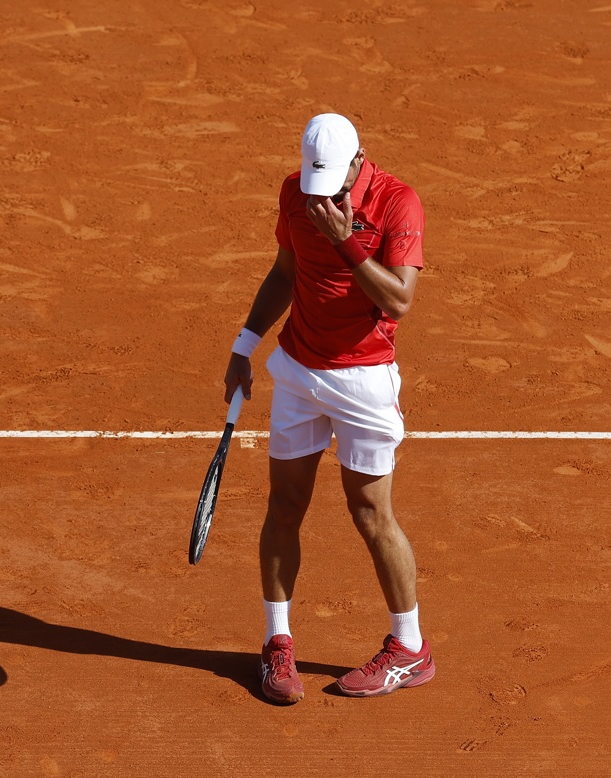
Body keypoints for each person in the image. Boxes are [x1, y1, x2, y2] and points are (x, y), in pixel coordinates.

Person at [222, 113, 433, 704]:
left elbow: (399, 297)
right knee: (284, 505)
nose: (324, 199)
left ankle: (410, 648)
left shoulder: (398, 204)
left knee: (370, 514)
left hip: (364, 379)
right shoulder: (296, 191)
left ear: (360, 162)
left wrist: (345, 238)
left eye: (337, 188)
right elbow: (287, 271)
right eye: (317, 188)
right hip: (297, 370)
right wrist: (245, 345)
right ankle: (277, 641)